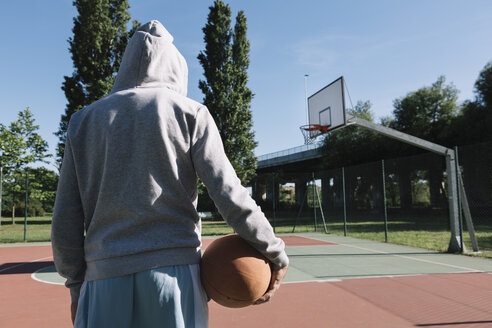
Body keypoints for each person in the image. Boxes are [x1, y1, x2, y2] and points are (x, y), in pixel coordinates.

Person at [51, 20, 289, 328]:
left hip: (103, 279)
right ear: (176, 67)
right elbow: (229, 193)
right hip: (175, 277)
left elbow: (66, 217)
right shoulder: (190, 113)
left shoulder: (82, 122)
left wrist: (75, 286)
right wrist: (272, 249)